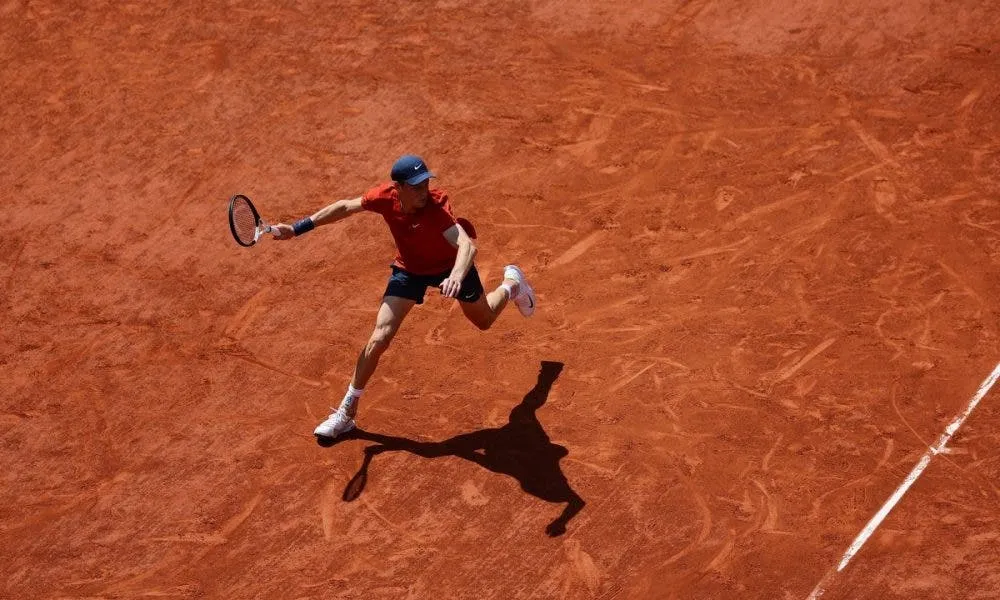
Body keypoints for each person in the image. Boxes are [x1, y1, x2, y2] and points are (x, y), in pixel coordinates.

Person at [272, 154, 537, 441]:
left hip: (451, 268)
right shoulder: (384, 198)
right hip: (410, 270)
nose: (423, 191)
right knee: (379, 337)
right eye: (415, 187)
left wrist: (457, 277)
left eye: (425, 184)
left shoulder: (437, 210)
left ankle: (512, 284)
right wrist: (297, 228)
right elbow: (345, 207)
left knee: (483, 320)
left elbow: (466, 247)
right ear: (398, 187)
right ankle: (346, 412)